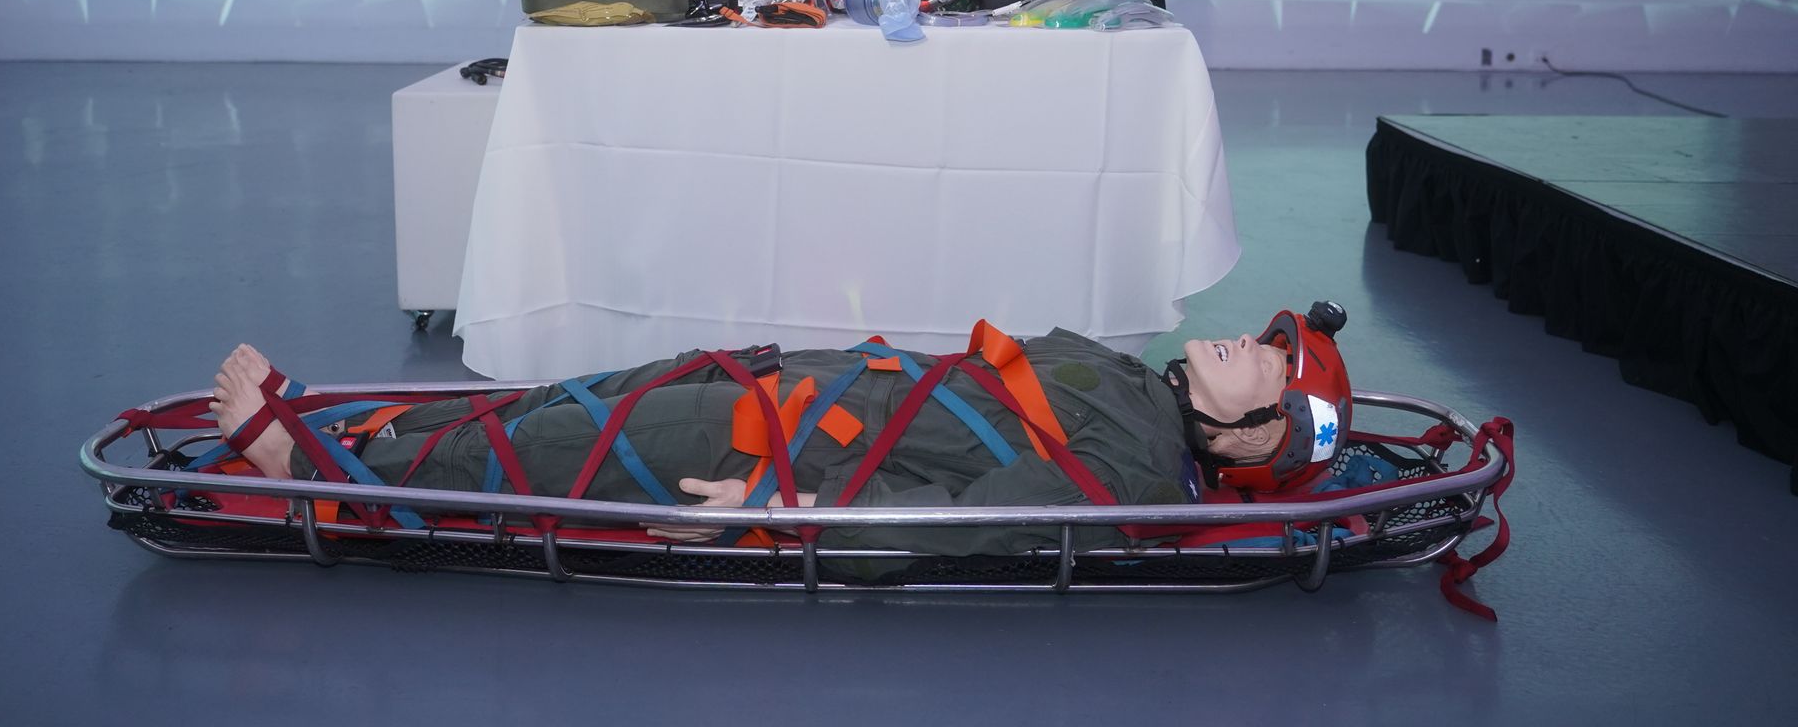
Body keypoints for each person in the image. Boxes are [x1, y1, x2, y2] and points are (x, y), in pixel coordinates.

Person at [208, 305, 1352, 556]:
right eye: (1265, 340)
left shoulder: (1138, 468)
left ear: (1258, 437)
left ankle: (310, 464)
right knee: (562, 401)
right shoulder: (1135, 385)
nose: (1247, 341)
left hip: (796, 450)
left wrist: (790, 512)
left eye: (1268, 361)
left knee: (555, 452)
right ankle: (368, 428)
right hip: (807, 387)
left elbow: (974, 520)